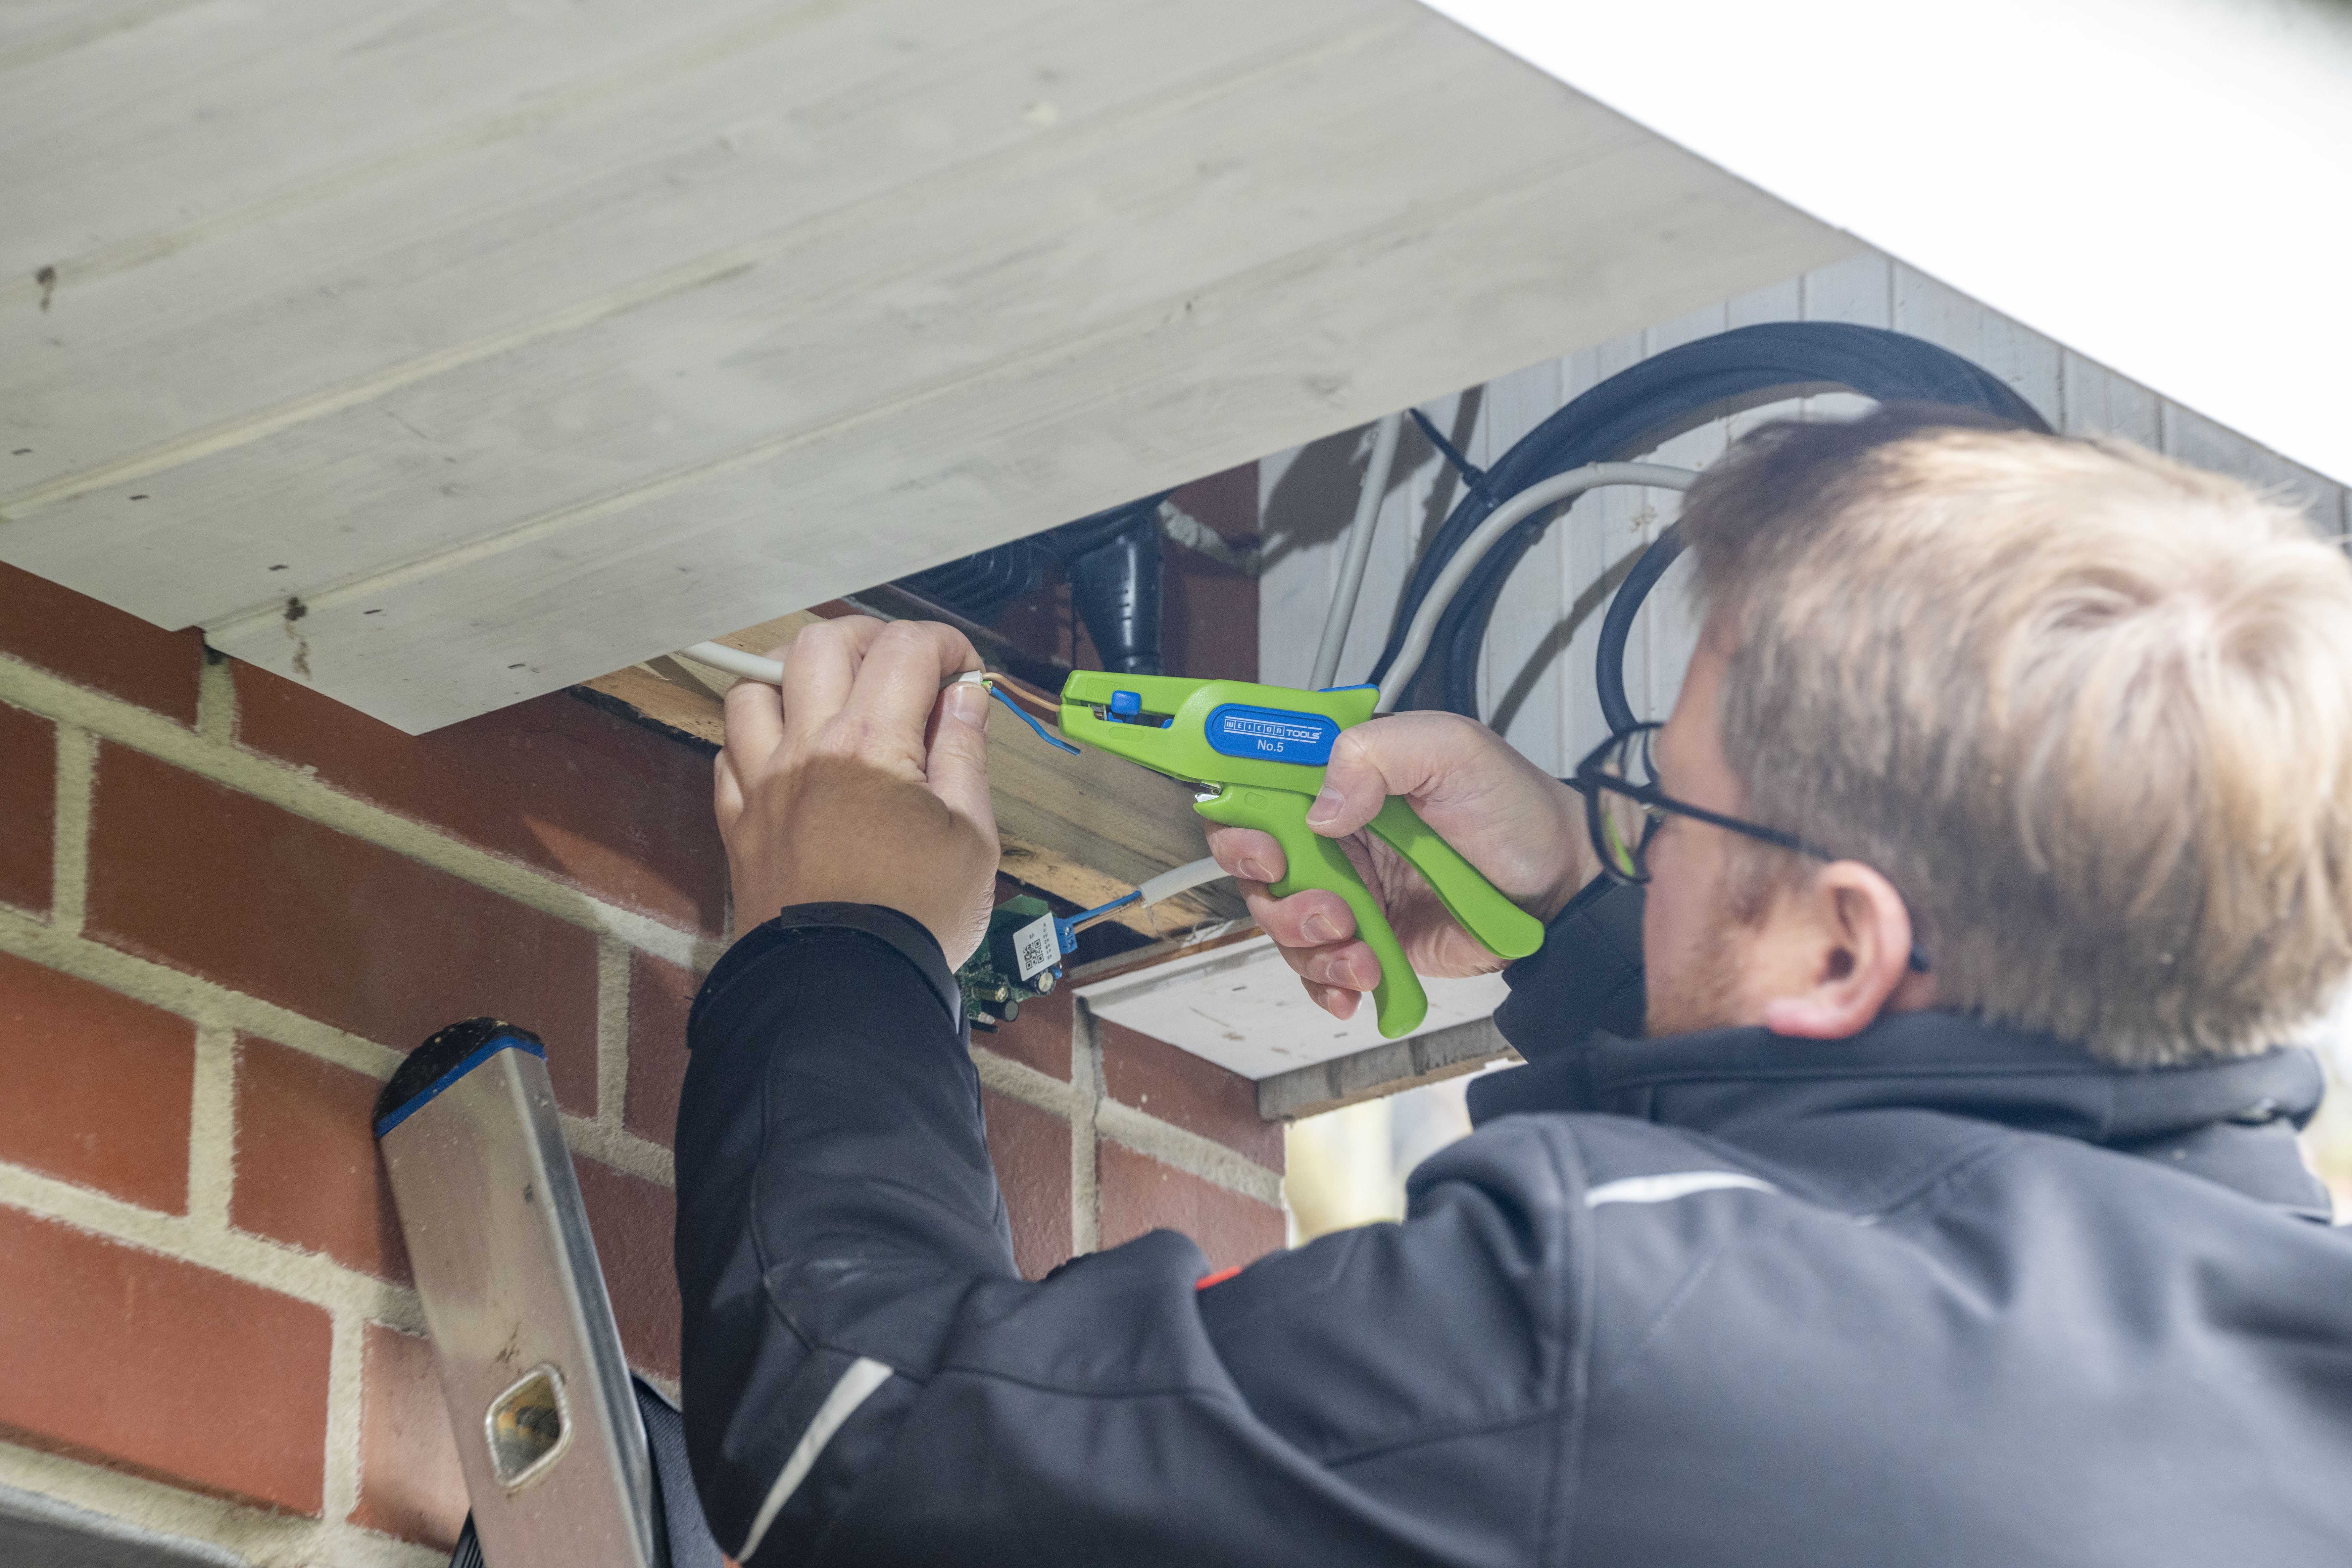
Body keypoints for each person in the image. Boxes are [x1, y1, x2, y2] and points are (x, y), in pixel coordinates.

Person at [675, 407, 2352, 1566]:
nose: (1628, 821)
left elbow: (861, 1450)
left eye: (1660, 795)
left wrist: (840, 936)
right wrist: (1574, 907)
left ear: (1848, 945)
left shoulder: (1632, 1313)